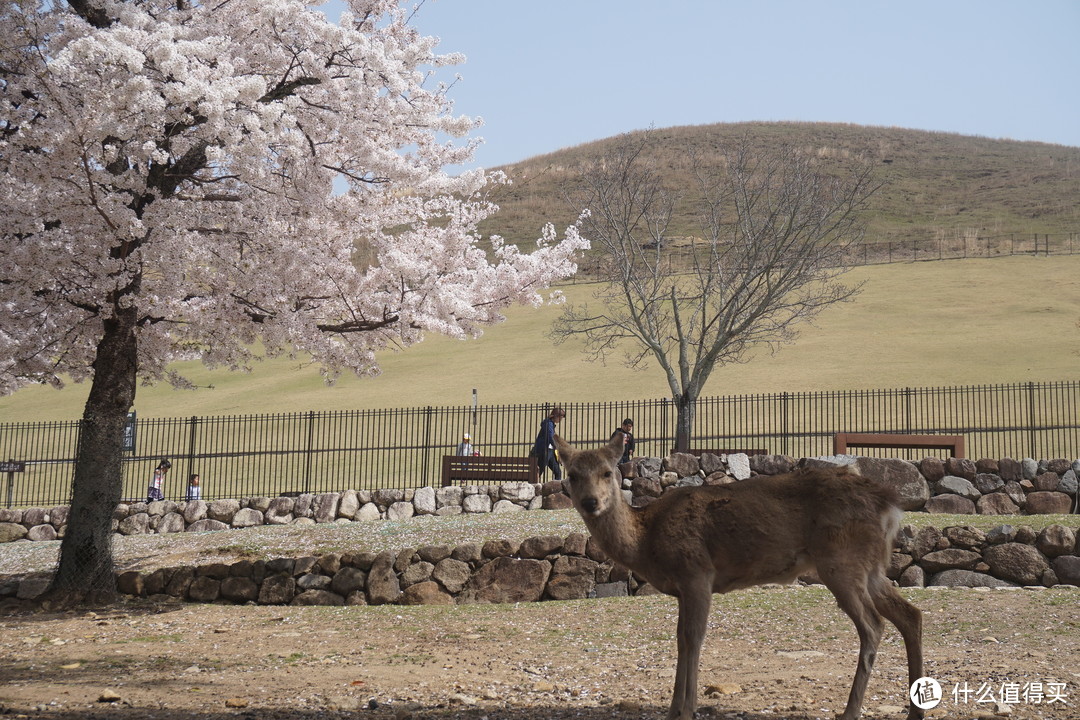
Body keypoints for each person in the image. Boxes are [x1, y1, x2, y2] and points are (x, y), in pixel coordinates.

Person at [532, 407, 566, 480]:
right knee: (539, 472)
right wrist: (557, 446)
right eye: (560, 417)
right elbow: (550, 438)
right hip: (544, 451)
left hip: (549, 451)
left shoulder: (550, 424)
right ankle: (533, 487)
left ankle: (557, 488)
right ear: (556, 416)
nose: (561, 420)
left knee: (558, 472)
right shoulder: (548, 424)